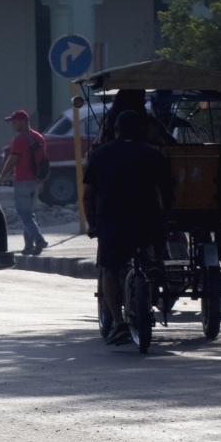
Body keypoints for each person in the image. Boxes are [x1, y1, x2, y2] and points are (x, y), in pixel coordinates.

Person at [82, 110, 174, 344]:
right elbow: (166, 194)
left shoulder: (99, 155)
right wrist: (164, 219)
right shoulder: (154, 155)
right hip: (147, 222)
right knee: (152, 243)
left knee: (109, 270)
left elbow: (88, 195)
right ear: (142, 131)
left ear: (115, 131)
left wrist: (93, 225)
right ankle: (156, 262)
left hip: (112, 223)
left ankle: (119, 323)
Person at [0, 109, 50, 256]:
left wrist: (2, 175)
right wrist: (42, 181)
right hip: (36, 181)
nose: (13, 124)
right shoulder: (39, 137)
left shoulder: (19, 140)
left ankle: (39, 240)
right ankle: (29, 247)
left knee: (23, 214)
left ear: (24, 122)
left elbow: (12, 159)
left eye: (15, 121)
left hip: (23, 181)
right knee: (29, 215)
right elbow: (42, 161)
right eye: (12, 122)